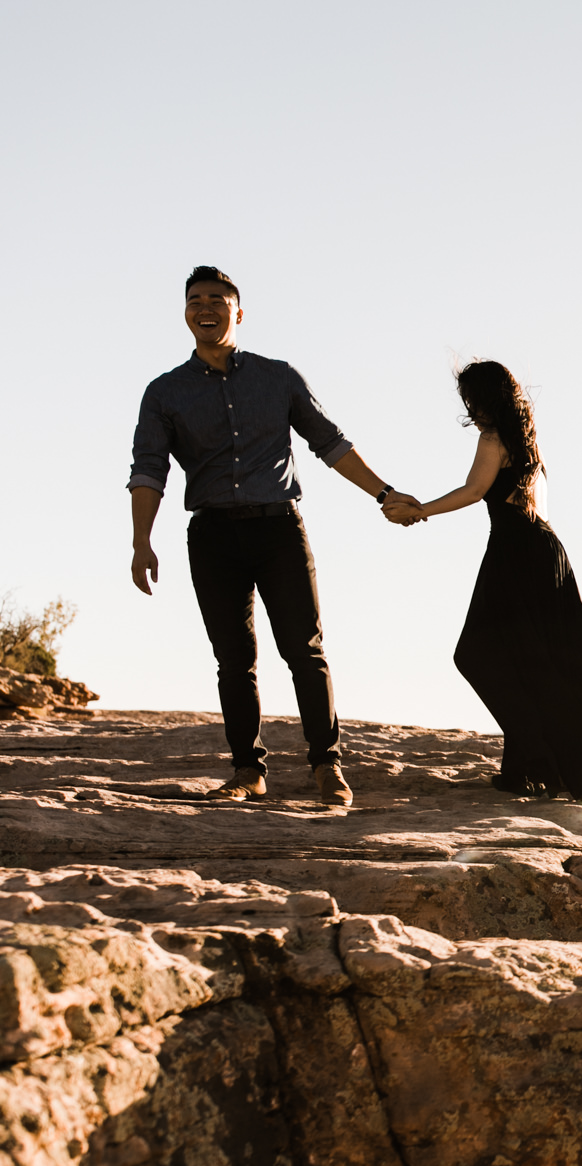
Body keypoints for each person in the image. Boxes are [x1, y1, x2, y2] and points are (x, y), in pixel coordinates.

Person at [128, 266, 417, 806]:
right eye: (195, 299)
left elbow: (330, 443)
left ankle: (327, 767)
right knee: (233, 660)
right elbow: (148, 469)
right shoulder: (165, 392)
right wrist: (142, 541)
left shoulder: (279, 377)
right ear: (185, 312)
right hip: (212, 536)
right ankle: (248, 772)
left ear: (239, 311)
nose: (205, 306)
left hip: (279, 528)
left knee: (304, 650)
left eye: (218, 297)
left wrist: (384, 494)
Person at [384, 361, 582, 802]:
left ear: (486, 399)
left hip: (517, 552)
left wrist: (419, 510)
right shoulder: (530, 444)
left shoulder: (495, 438)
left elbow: (473, 490)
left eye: (472, 399)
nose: (470, 409)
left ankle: (538, 762)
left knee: (478, 655)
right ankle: (526, 767)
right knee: (537, 663)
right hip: (545, 551)